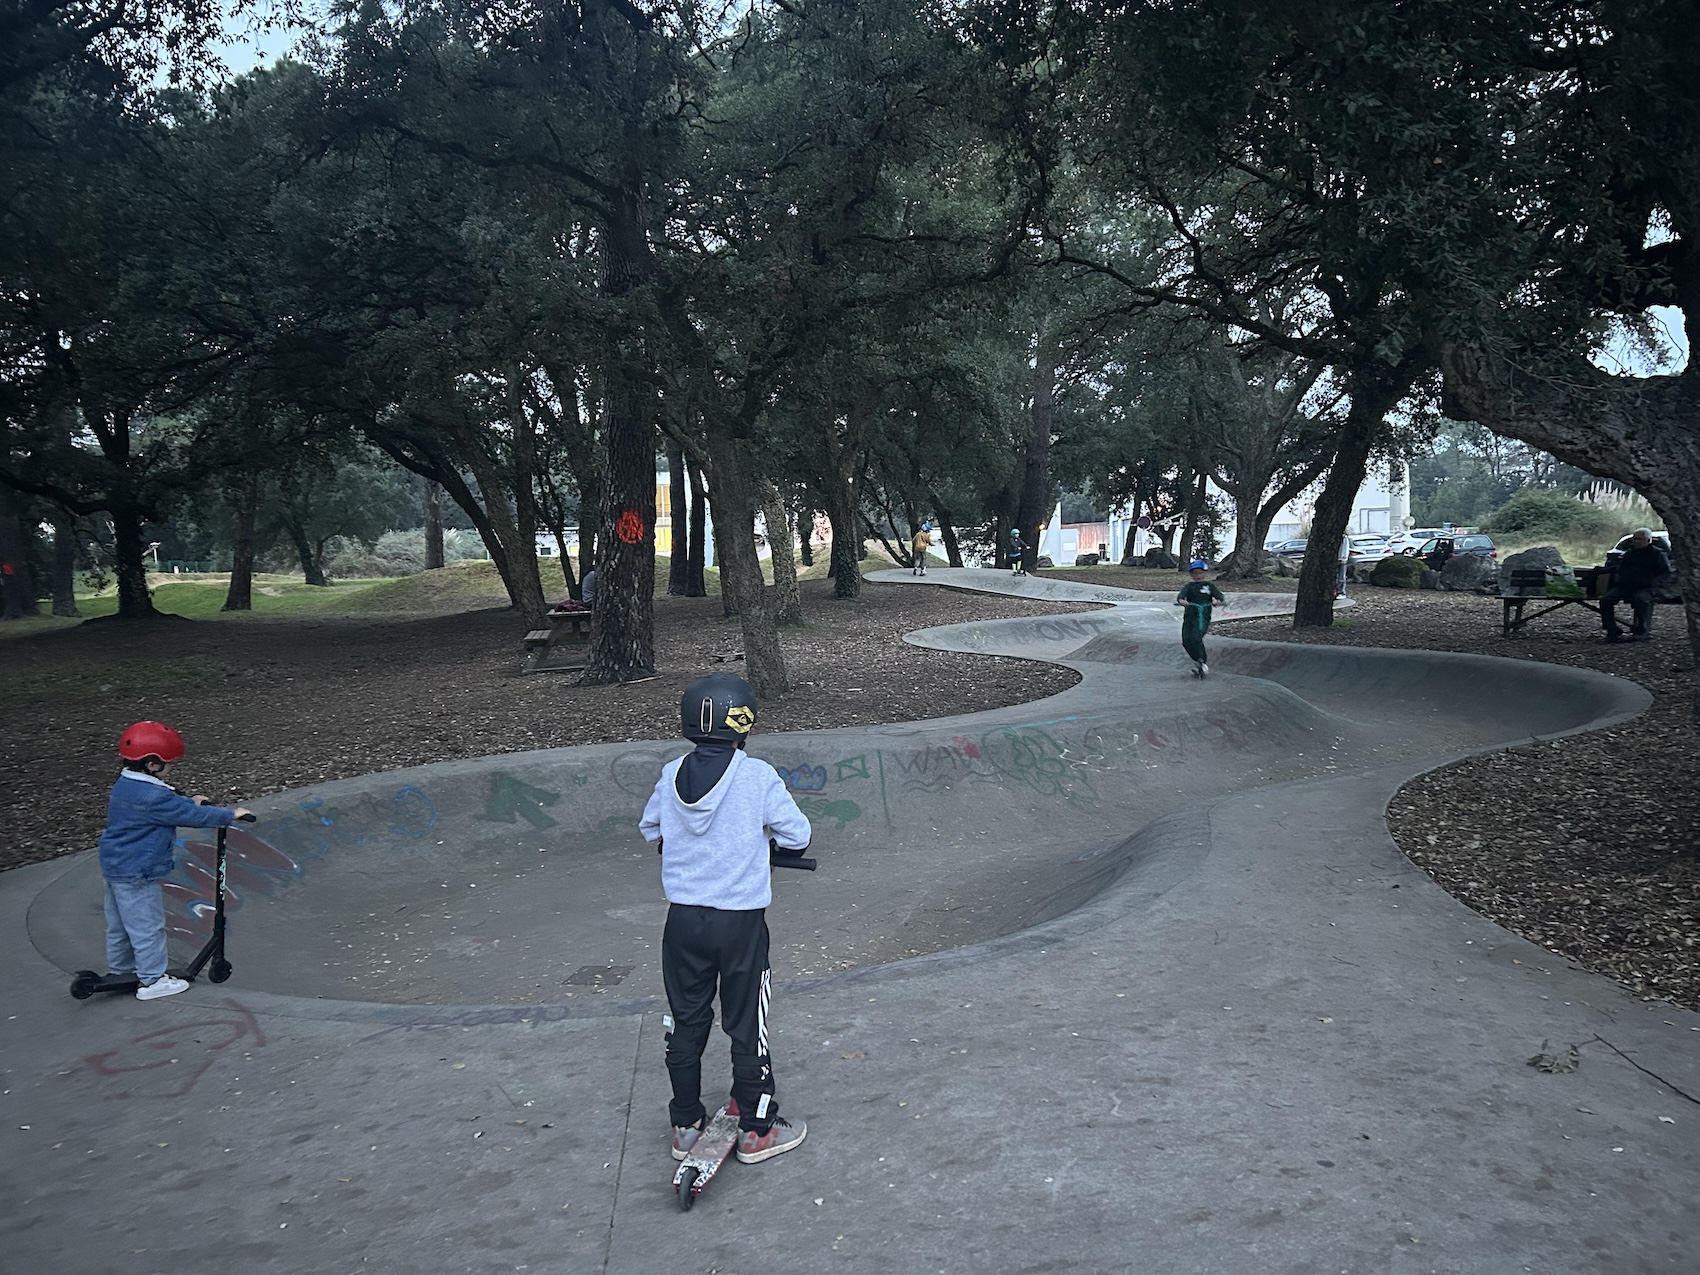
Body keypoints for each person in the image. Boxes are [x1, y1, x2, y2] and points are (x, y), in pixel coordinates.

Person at [640, 673, 812, 1166]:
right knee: (745, 1024)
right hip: (738, 924)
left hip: (684, 922)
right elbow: (796, 835)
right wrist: (766, 841)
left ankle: (686, 1124)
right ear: (744, 722)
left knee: (687, 1020)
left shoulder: (672, 772)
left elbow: (650, 827)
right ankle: (757, 1129)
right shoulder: (756, 776)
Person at [99, 722, 252, 1000]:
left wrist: (190, 801)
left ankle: (121, 969)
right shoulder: (152, 796)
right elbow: (190, 816)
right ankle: (152, 980)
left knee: (121, 923)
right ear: (152, 764)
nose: (172, 769)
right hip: (138, 871)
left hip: (115, 865)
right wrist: (230, 815)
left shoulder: (127, 785)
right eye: (169, 765)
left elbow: (172, 807)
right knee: (148, 925)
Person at [1601, 528, 1673, 642]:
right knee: (1606, 600)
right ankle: (1612, 629)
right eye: (1634, 539)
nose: (1636, 541)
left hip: (1646, 587)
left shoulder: (1657, 554)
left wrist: (1653, 583)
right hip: (1625, 586)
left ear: (1648, 540)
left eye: (1640, 539)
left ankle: (1641, 631)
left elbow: (1667, 572)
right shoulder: (1629, 553)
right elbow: (1621, 569)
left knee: (1641, 600)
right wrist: (1620, 579)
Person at [1175, 559, 1228, 678]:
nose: (1198, 576)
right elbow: (1181, 596)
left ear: (1204, 573)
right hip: (1190, 616)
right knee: (1186, 640)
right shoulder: (1189, 586)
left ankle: (1202, 661)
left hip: (1202, 616)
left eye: (1200, 573)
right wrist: (1182, 601)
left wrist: (1217, 601)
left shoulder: (1209, 586)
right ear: (1191, 575)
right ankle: (1196, 660)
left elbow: (1219, 596)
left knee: (1196, 637)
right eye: (1195, 573)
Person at [1336, 534, 1351, 598]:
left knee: (1341, 577)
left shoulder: (1344, 538)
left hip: (1342, 559)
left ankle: (1341, 592)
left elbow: (1345, 548)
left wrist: (1344, 558)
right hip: (1335, 559)